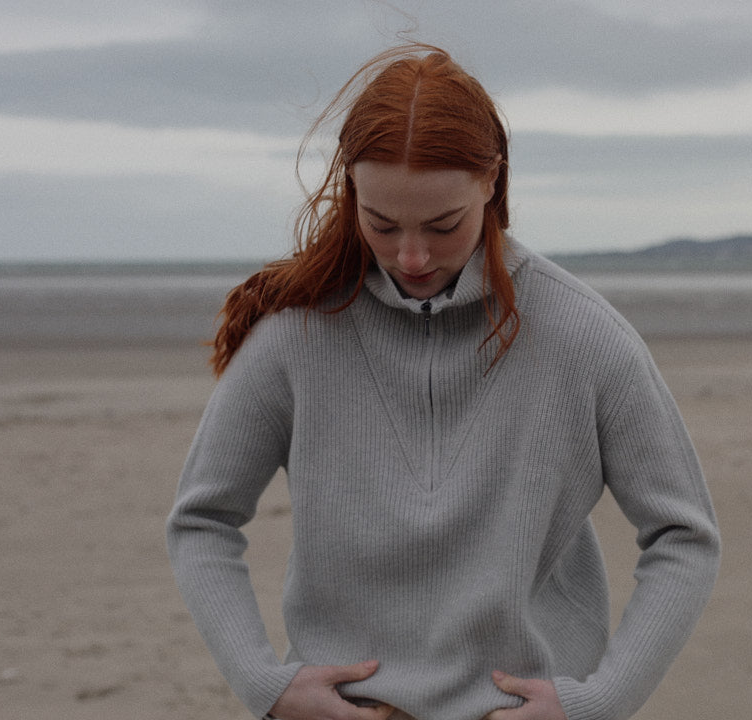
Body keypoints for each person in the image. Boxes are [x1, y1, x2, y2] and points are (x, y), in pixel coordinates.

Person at [167, 44, 720, 720]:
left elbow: (684, 535)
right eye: (381, 224)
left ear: (492, 181)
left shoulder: (585, 336)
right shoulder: (294, 337)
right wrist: (266, 684)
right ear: (352, 191)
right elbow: (201, 519)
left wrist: (599, 701)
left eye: (443, 225)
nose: (411, 256)